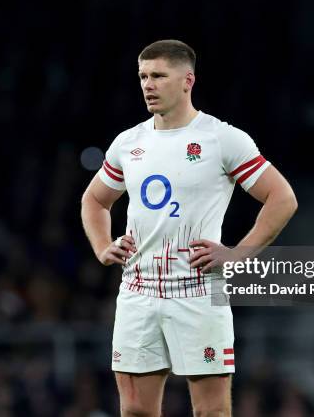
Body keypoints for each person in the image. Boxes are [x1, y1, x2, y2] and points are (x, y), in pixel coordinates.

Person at [81, 39, 297, 417]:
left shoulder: (221, 138)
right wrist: (102, 246)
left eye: (159, 76)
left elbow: (282, 198)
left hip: (197, 289)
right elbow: (95, 199)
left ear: (187, 80)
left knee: (210, 412)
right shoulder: (129, 142)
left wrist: (238, 254)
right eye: (143, 76)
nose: (148, 85)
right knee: (134, 410)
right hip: (138, 289)